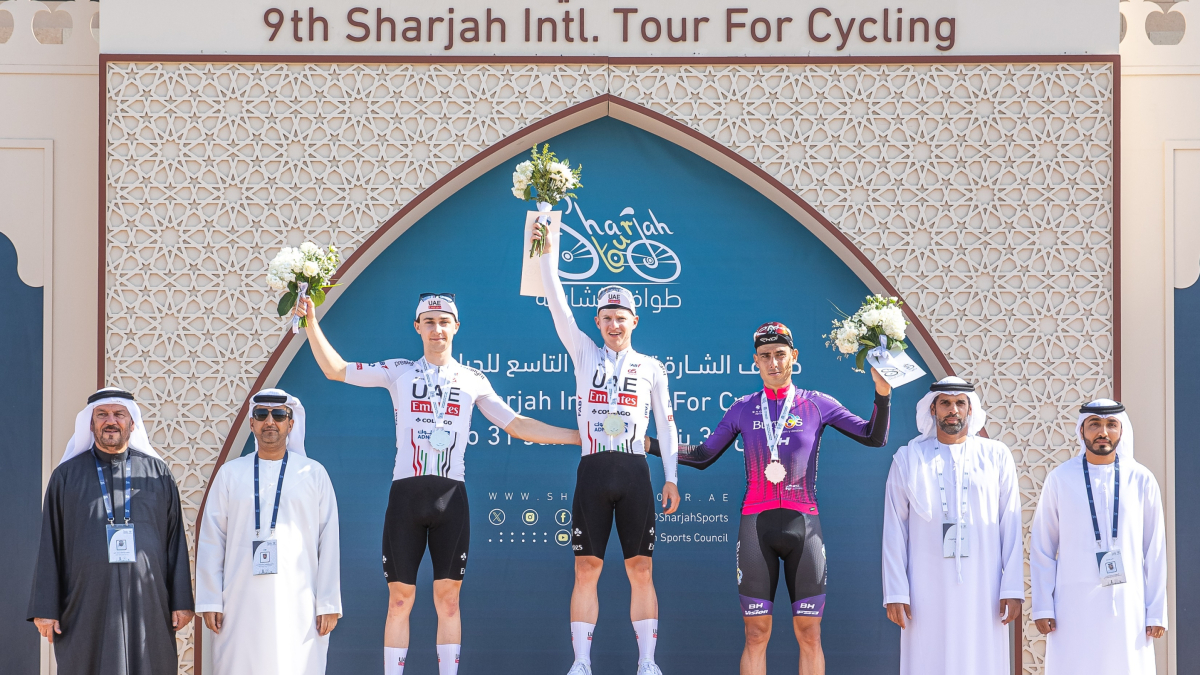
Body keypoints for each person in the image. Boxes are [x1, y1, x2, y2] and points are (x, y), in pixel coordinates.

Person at [295, 292, 580, 675]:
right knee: (400, 600)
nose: (437, 329)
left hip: (451, 497)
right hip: (406, 496)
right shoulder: (398, 371)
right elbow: (336, 369)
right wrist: (311, 321)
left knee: (448, 601)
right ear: (417, 327)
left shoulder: (472, 379)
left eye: (444, 322)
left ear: (456, 327)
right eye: (428, 322)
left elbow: (517, 425)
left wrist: (580, 436)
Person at [650, 321, 891, 675]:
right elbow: (702, 456)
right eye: (765, 356)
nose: (774, 362)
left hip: (804, 526)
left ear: (793, 356)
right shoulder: (743, 408)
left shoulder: (817, 404)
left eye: (780, 354)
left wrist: (882, 394)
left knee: (809, 633)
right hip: (756, 527)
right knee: (755, 632)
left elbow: (874, 437)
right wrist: (649, 445)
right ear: (756, 361)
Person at [534, 224, 681, 675]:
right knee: (586, 570)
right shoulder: (583, 353)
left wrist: (672, 475)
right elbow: (558, 306)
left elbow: (667, 423)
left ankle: (648, 663)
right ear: (597, 322)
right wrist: (545, 244)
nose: (614, 324)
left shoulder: (651, 366)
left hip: (636, 472)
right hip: (593, 471)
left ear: (635, 320)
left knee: (641, 570)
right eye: (606, 317)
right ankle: (581, 662)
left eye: (622, 317)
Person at [28, 387, 194, 675]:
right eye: (102, 414)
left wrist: (181, 601)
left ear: (132, 423)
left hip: (148, 602)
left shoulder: (158, 474)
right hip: (85, 603)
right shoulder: (66, 476)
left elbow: (175, 541)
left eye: (119, 414)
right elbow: (50, 543)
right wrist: (45, 606)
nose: (111, 421)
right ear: (90, 424)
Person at [880, 377, 1024, 675]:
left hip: (984, 586)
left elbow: (1010, 524)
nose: (953, 410)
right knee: (929, 656)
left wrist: (1011, 587)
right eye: (945, 403)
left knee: (981, 658)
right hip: (925, 586)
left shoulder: (996, 456)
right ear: (932, 409)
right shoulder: (908, 458)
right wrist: (896, 592)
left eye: (960, 403)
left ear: (971, 409)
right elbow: (894, 528)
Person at [196, 388, 342, 674]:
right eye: (261, 415)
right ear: (251, 423)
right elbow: (213, 537)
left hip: (300, 602)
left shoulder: (313, 474)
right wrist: (211, 598)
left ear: (291, 423)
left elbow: (330, 540)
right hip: (238, 602)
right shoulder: (230, 473)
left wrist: (327, 602)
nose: (270, 422)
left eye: (279, 415)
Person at [1030, 399, 1167, 674]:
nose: (1102, 431)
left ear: (1121, 431)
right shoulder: (1061, 478)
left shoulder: (1141, 478)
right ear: (1082, 431)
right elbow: (1043, 546)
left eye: (1110, 425)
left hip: (1129, 603)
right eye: (1094, 424)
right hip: (1073, 605)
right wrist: (1043, 606)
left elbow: (1156, 549)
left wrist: (1156, 611)